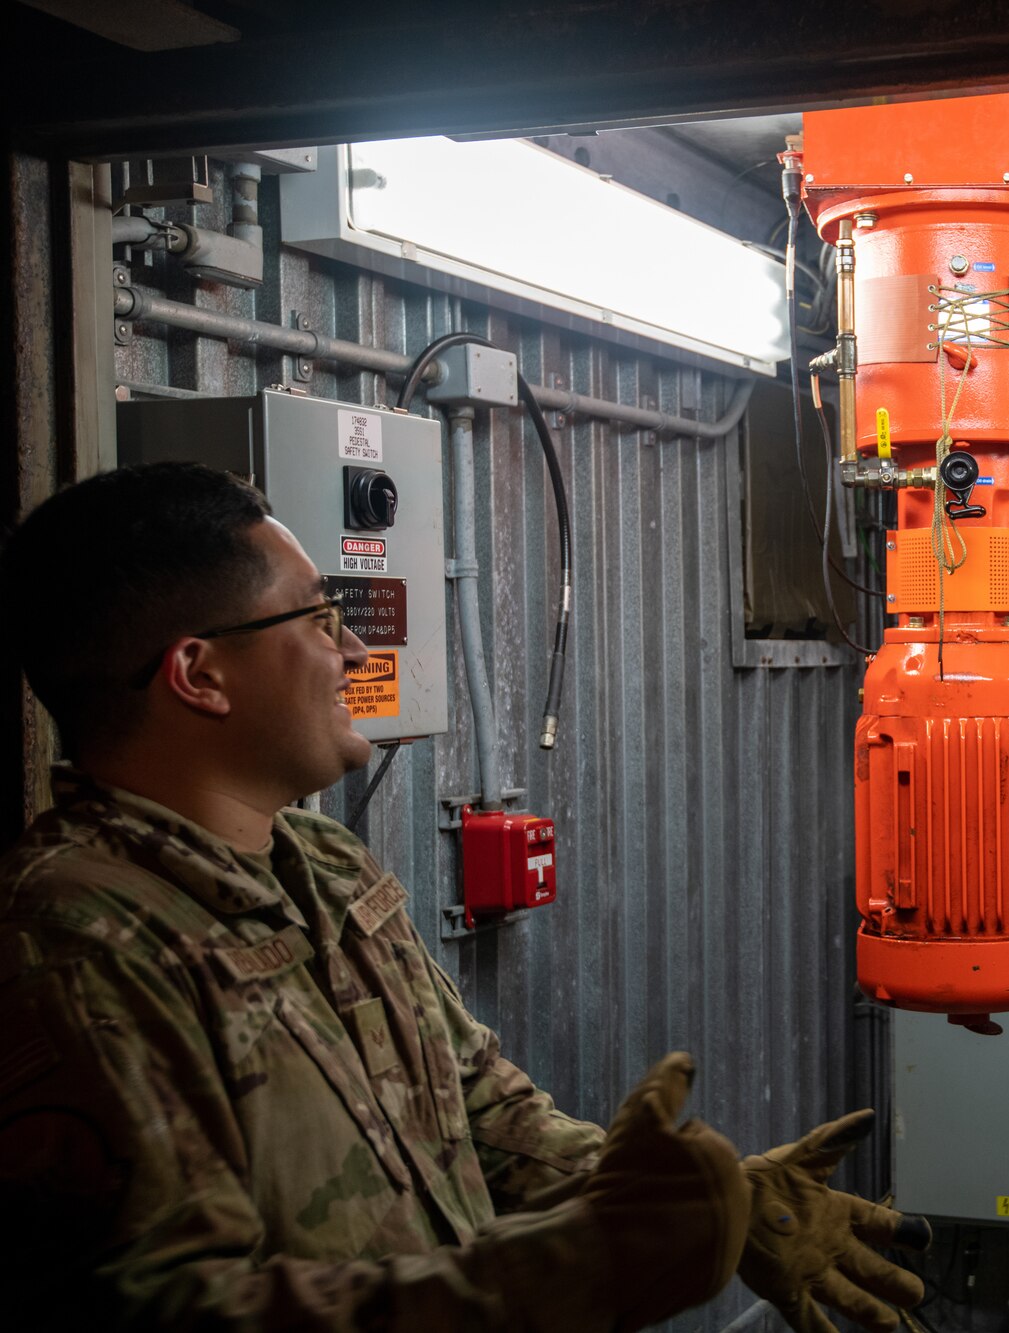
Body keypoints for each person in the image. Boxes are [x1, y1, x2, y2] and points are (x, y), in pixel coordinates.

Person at [0, 462, 927, 1331]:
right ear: (199, 674)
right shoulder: (78, 942)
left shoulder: (324, 864)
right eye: (318, 620)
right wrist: (577, 1267)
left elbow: (483, 1114)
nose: (353, 647)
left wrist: (688, 1207)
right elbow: (181, 1307)